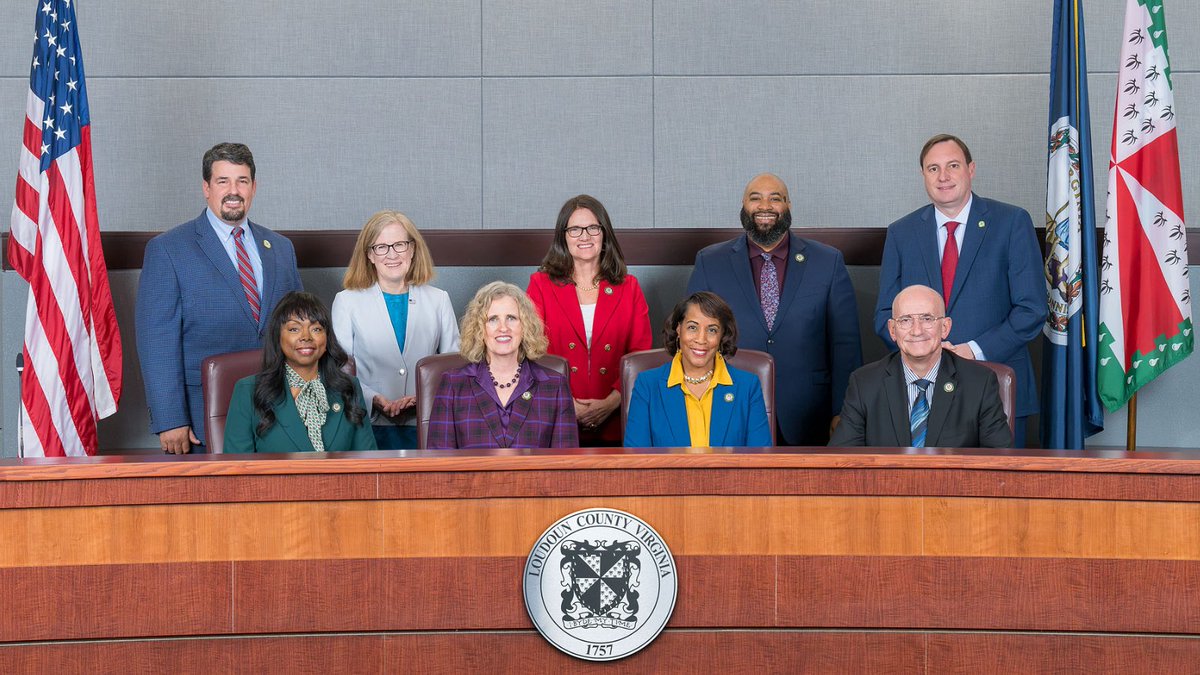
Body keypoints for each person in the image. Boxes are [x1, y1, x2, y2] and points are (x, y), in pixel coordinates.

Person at [874, 134, 1044, 446]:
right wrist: (927, 351)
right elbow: (885, 314)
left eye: (952, 165)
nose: (944, 177)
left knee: (1000, 489)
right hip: (921, 390)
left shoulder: (1011, 222)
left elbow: (1031, 310)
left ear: (971, 169)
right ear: (923, 175)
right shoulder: (902, 232)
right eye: (933, 168)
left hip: (996, 382)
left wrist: (971, 351)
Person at [136, 143, 303, 454]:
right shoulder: (169, 249)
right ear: (206, 188)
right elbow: (156, 341)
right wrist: (170, 418)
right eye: (222, 181)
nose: (233, 191)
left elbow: (298, 330)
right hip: (204, 415)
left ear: (254, 187)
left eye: (241, 181)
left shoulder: (280, 248)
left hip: (279, 409)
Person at [686, 173, 862, 446]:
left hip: (810, 415)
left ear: (788, 206)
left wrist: (843, 413)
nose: (765, 206)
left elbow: (846, 346)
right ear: (743, 206)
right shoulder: (711, 262)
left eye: (775, 198)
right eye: (755, 198)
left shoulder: (828, 261)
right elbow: (692, 342)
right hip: (730, 409)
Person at [527, 195, 652, 446]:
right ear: (563, 236)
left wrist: (612, 401)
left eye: (592, 228)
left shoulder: (629, 287)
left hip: (617, 419)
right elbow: (531, 351)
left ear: (604, 233)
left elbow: (640, 355)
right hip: (556, 417)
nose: (584, 236)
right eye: (574, 229)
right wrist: (565, 401)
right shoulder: (540, 285)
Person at [332, 211, 460, 449]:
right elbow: (340, 369)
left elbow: (453, 366)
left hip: (426, 424)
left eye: (399, 245)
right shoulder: (347, 301)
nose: (392, 254)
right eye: (381, 247)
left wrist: (421, 398)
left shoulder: (439, 300)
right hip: (367, 424)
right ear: (370, 254)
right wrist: (373, 399)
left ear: (412, 249)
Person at [832, 285, 1011, 448]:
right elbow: (842, 462)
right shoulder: (864, 384)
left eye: (927, 318)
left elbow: (1000, 462)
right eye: (905, 320)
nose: (917, 330)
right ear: (892, 330)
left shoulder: (980, 383)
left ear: (945, 327)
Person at [427, 282, 578, 449]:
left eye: (511, 318)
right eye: (492, 319)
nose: (503, 328)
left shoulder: (554, 386)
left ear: (525, 326)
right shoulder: (454, 385)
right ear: (479, 328)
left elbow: (565, 466)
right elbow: (439, 464)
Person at [224, 292, 377, 453]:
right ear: (278, 336)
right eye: (294, 329)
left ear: (327, 338)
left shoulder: (349, 388)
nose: (306, 337)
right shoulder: (248, 391)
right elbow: (237, 471)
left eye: (316, 329)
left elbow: (368, 462)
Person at [624, 292, 771, 448]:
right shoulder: (647, 385)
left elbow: (760, 463)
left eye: (712, 330)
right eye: (692, 327)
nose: (701, 339)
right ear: (678, 329)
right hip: (667, 474)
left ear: (722, 336)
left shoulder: (748, 386)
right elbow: (637, 462)